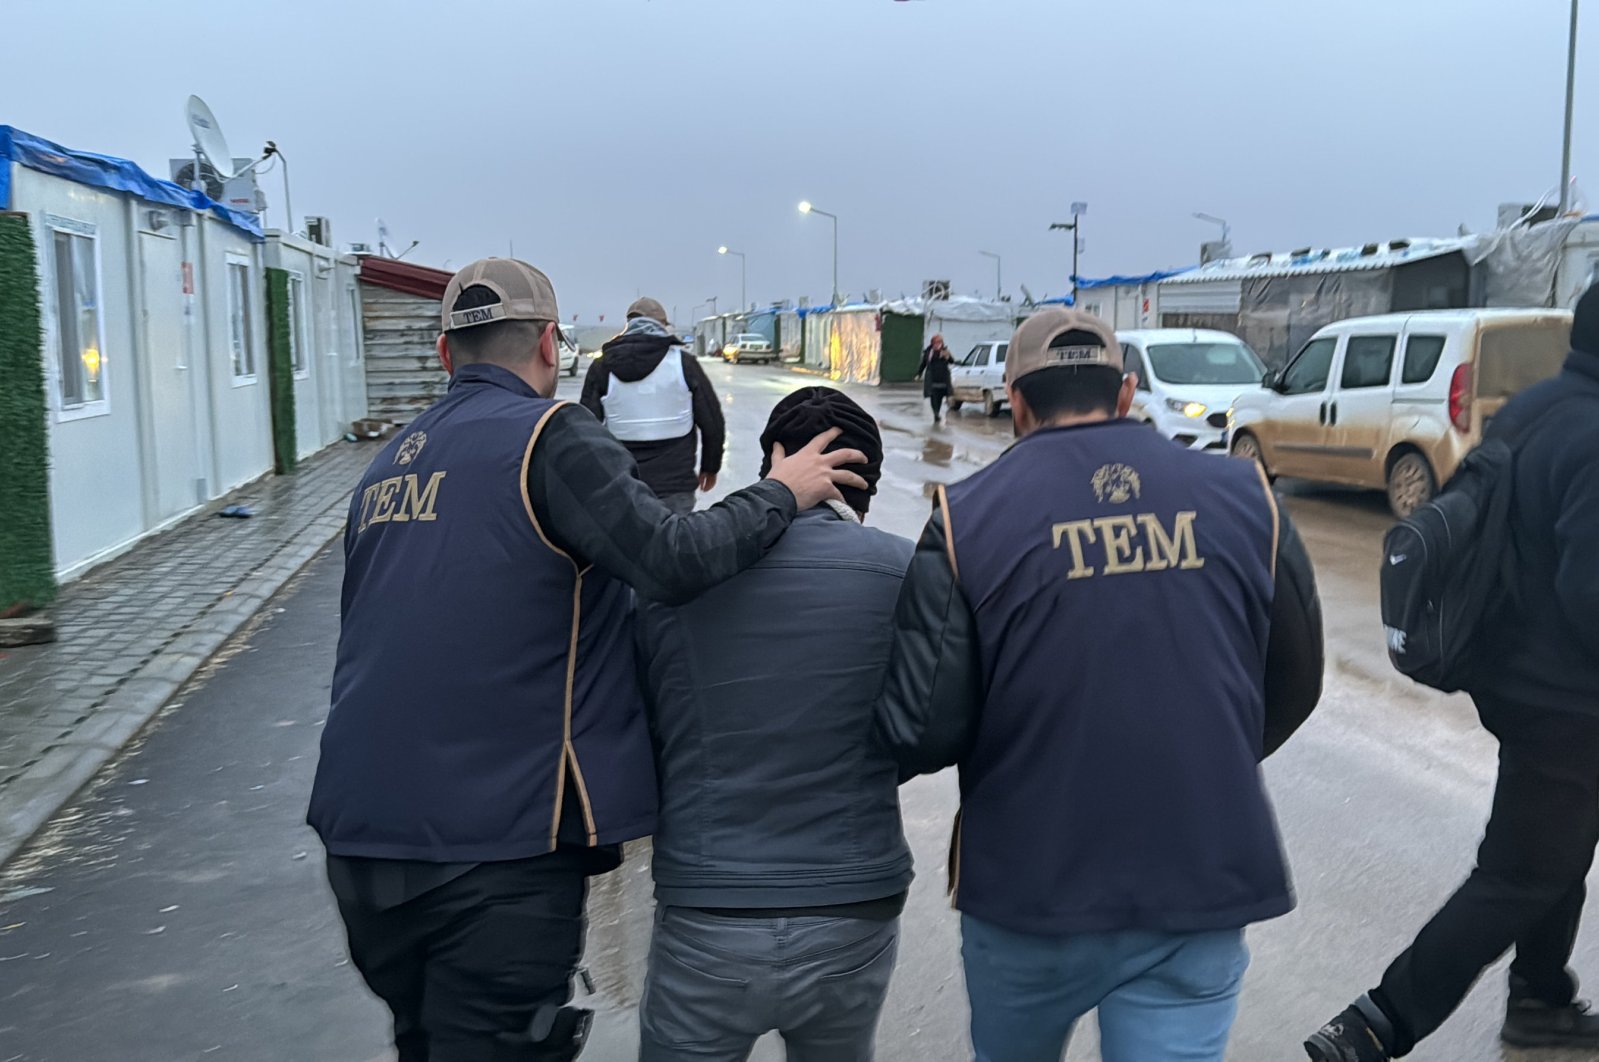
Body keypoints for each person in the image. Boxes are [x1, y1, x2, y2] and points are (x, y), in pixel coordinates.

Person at [306, 258, 866, 1062]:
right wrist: (783, 490)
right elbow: (673, 557)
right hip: (492, 853)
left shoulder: (389, 461)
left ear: (443, 355)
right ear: (547, 343)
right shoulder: (551, 436)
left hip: (361, 849)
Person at [876, 308, 1324, 1062]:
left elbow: (921, 725)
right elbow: (1295, 680)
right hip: (1198, 873)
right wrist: (1201, 754)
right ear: (1123, 395)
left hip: (1028, 886)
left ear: (1015, 402)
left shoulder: (964, 519)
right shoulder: (1248, 496)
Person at [1306, 283, 1599, 1061]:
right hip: (1566, 701)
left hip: (1516, 674)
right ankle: (1375, 1024)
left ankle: (1540, 996)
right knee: (1517, 871)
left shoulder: (1539, 405)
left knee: (1556, 849)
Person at [633, 387, 914, 1062]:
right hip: (853, 903)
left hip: (709, 907)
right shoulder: (907, 573)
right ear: (864, 488)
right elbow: (929, 725)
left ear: (774, 466)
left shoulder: (675, 580)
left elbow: (642, 727)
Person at [580, 296, 725, 514]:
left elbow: (585, 428)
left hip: (621, 487)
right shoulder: (683, 363)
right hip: (675, 488)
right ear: (662, 325)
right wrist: (710, 467)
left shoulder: (603, 366)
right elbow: (712, 422)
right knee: (674, 545)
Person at [917, 333, 955, 423]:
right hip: (932, 380)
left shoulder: (945, 351)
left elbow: (952, 361)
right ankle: (936, 413)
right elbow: (924, 364)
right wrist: (919, 373)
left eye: (939, 343)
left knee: (940, 398)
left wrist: (948, 356)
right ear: (932, 343)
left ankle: (937, 412)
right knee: (933, 398)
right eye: (936, 343)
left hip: (943, 380)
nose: (938, 345)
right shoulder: (929, 352)